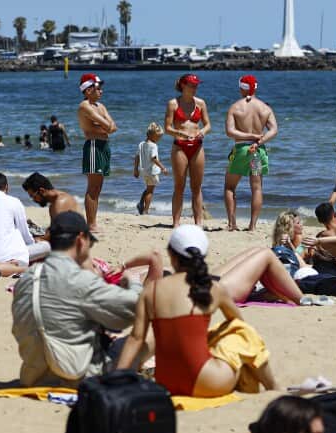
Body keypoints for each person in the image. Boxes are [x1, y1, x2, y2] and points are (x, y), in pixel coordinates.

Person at [118, 225, 277, 396]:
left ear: (171, 255)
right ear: (203, 256)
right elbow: (240, 326)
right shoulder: (213, 288)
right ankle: (273, 387)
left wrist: (115, 378)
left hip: (167, 381)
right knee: (243, 333)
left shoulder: (152, 290)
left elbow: (135, 339)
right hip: (205, 381)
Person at [11, 211, 149, 387]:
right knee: (151, 332)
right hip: (78, 378)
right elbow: (135, 308)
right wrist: (134, 282)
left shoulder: (26, 279)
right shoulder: (80, 280)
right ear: (80, 240)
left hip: (34, 376)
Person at [224, 75, 277, 232]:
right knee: (257, 188)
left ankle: (232, 224)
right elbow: (274, 130)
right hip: (257, 152)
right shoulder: (265, 108)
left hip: (241, 150)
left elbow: (230, 131)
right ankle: (252, 225)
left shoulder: (235, 107)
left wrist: (249, 137)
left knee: (229, 187)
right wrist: (258, 141)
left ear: (241, 88)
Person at [0, 171, 45, 273]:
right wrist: (32, 244)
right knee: (46, 247)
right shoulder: (14, 201)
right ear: (6, 186)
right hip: (7, 257)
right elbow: (24, 232)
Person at [165, 74, 211, 228]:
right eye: (192, 85)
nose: (195, 88)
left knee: (196, 187)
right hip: (180, 146)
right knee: (179, 185)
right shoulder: (173, 103)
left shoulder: (201, 103)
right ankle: (176, 223)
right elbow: (167, 128)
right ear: (183, 85)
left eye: (196, 85)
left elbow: (208, 124)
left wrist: (203, 132)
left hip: (197, 146)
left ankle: (198, 223)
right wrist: (181, 134)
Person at [76, 74, 116, 232]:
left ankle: (93, 222)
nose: (101, 91)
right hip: (93, 145)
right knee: (93, 187)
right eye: (98, 88)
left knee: (98, 187)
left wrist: (105, 126)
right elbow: (107, 125)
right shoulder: (84, 106)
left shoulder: (101, 106)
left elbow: (113, 127)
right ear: (87, 90)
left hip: (103, 145)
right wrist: (104, 126)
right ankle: (91, 224)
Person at [133, 122, 166, 215]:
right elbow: (153, 158)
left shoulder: (141, 144)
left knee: (148, 188)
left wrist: (135, 169)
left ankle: (140, 204)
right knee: (150, 191)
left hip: (143, 171)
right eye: (158, 137)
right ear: (152, 135)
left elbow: (136, 157)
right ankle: (146, 210)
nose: (159, 139)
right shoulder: (153, 145)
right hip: (152, 171)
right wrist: (163, 168)